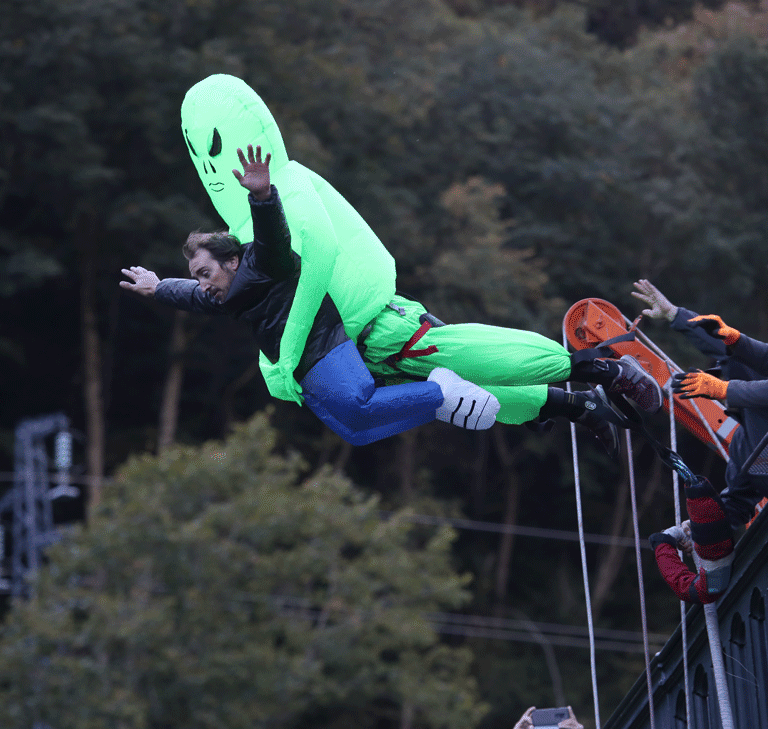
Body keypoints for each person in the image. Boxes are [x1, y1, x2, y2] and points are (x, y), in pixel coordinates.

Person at [178, 74, 666, 457]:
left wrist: (286, 353)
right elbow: (246, 301)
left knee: (467, 360)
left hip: (378, 324)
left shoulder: (285, 188)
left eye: (214, 147)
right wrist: (160, 287)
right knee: (465, 399)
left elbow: (319, 259)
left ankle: (604, 368)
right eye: (200, 155)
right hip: (352, 351)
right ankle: (577, 406)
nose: (211, 166)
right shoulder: (240, 235)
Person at [121, 144, 502, 446]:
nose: (202, 284)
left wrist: (263, 197)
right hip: (300, 367)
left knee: (359, 410)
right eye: (197, 277)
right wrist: (158, 286)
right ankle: (435, 401)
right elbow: (191, 294)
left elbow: (273, 237)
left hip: (321, 344)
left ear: (232, 261)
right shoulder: (225, 295)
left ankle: (440, 390)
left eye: (205, 273)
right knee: (356, 432)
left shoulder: (265, 263)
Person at [632, 279, 768, 528]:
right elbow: (736, 505)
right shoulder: (746, 443)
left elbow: (749, 361)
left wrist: (725, 388)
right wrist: (697, 529)